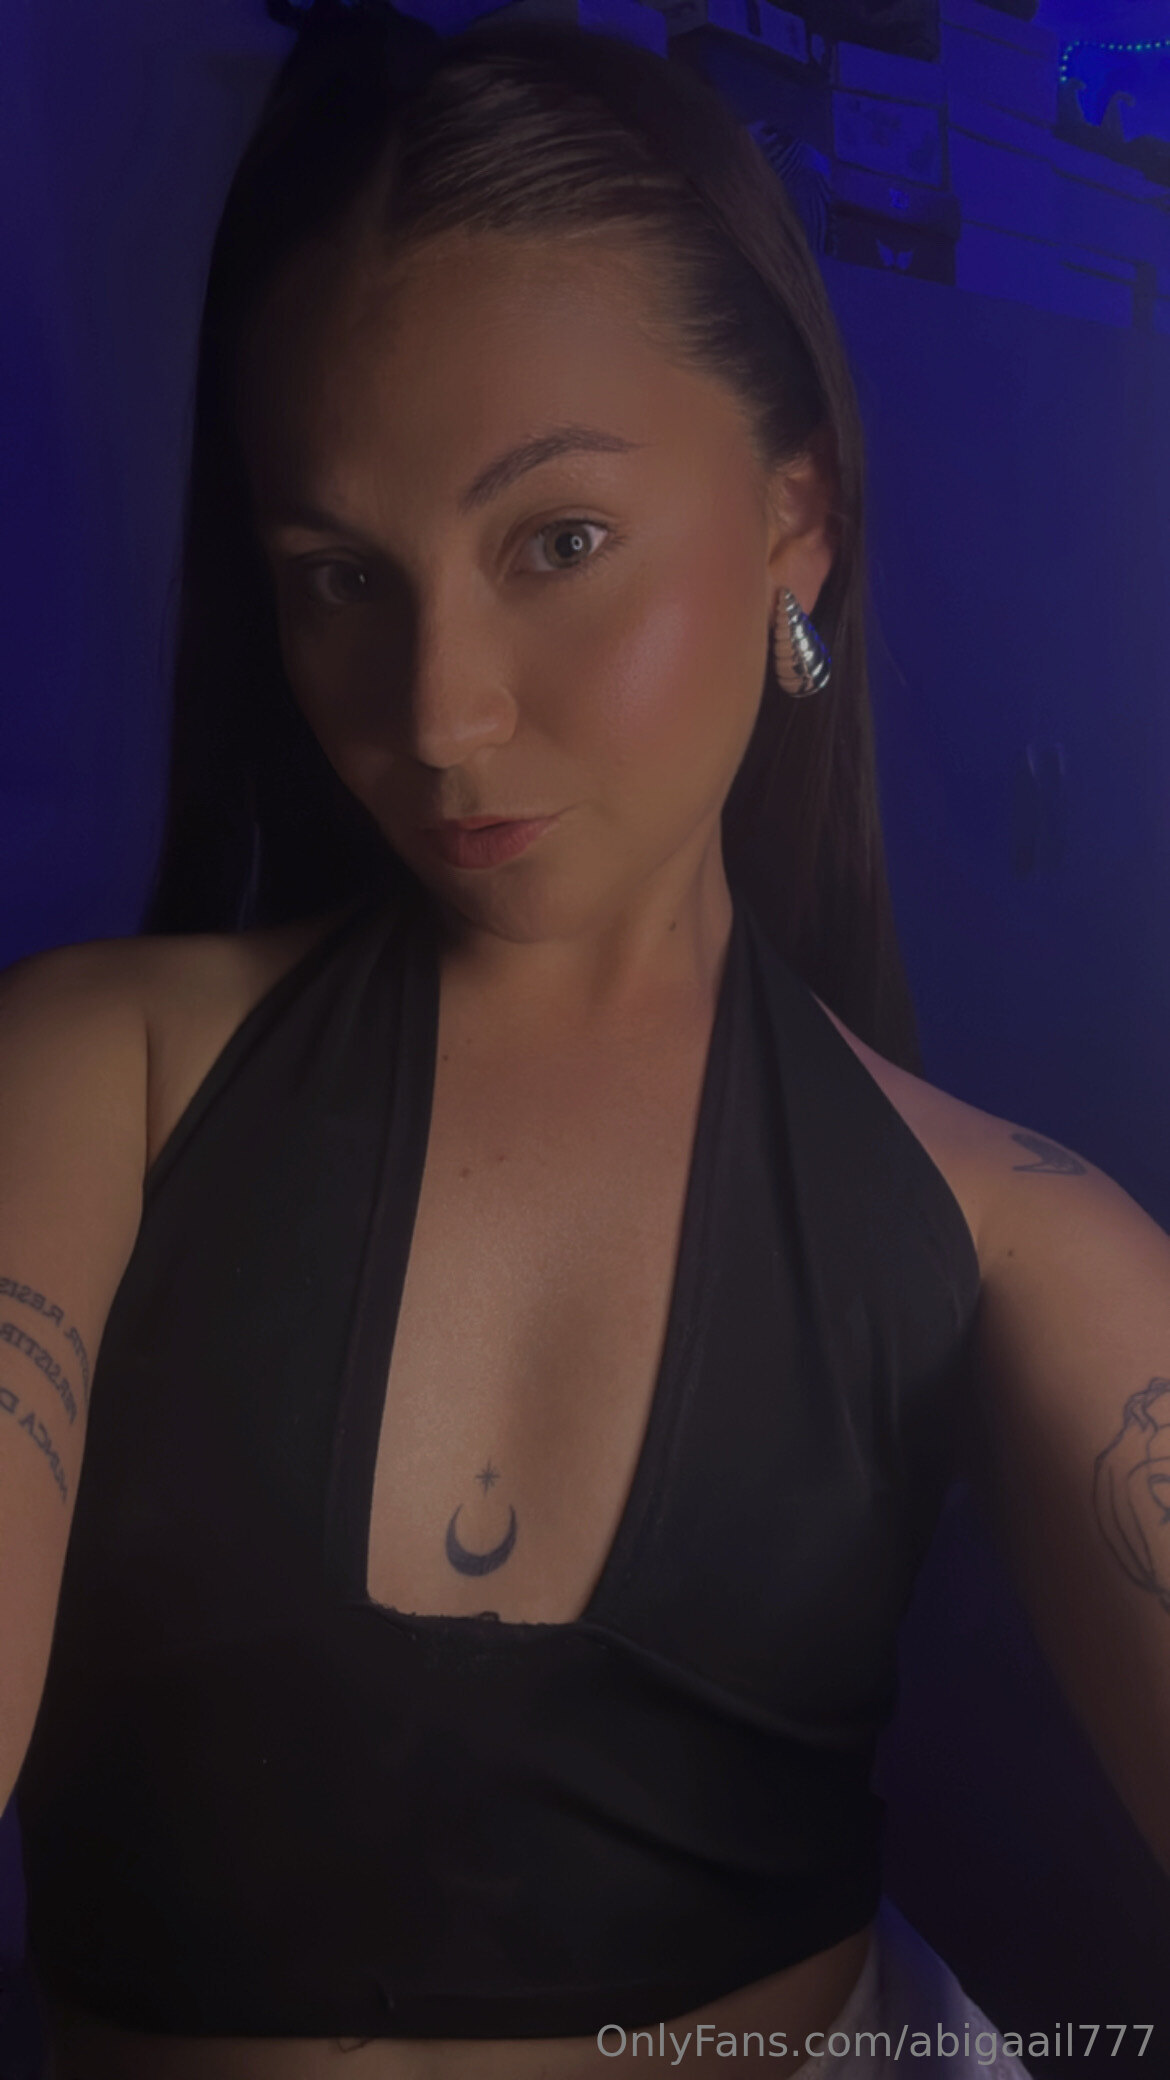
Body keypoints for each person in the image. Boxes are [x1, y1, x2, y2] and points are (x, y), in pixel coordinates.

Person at [2, 7, 1168, 2076]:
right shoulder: (99, 1078)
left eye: (556, 541)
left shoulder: (1002, 1230)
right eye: (341, 578)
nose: (439, 712)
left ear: (796, 520)